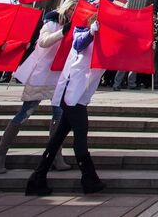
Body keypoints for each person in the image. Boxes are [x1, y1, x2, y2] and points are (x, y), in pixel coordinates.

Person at [0, 0, 77, 174]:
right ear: (66, 8)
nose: (73, 12)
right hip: (41, 73)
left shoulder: (75, 26)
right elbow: (43, 42)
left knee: (58, 117)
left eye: (76, 10)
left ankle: (55, 156)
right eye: (72, 8)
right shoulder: (52, 21)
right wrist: (62, 32)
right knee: (25, 112)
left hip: (59, 75)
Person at [26, 15, 106, 196]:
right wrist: (92, 31)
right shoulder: (81, 32)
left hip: (80, 96)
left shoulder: (104, 42)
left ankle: (38, 177)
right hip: (71, 95)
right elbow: (78, 44)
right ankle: (89, 178)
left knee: (57, 138)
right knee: (80, 135)